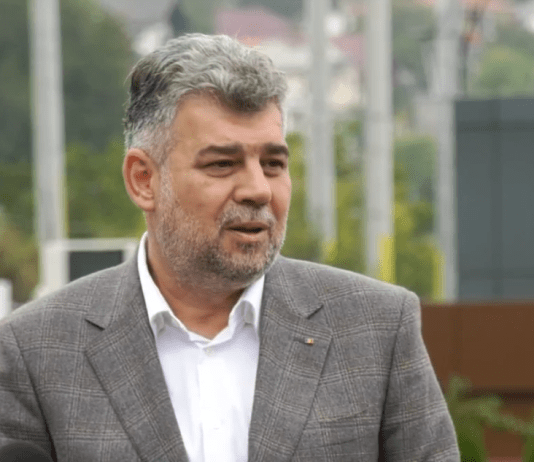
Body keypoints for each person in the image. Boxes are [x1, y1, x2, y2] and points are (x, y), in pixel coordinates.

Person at [0, 33, 459, 461]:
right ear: (143, 180)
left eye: (273, 163)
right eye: (222, 164)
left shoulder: (377, 328)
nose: (258, 189)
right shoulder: (35, 350)